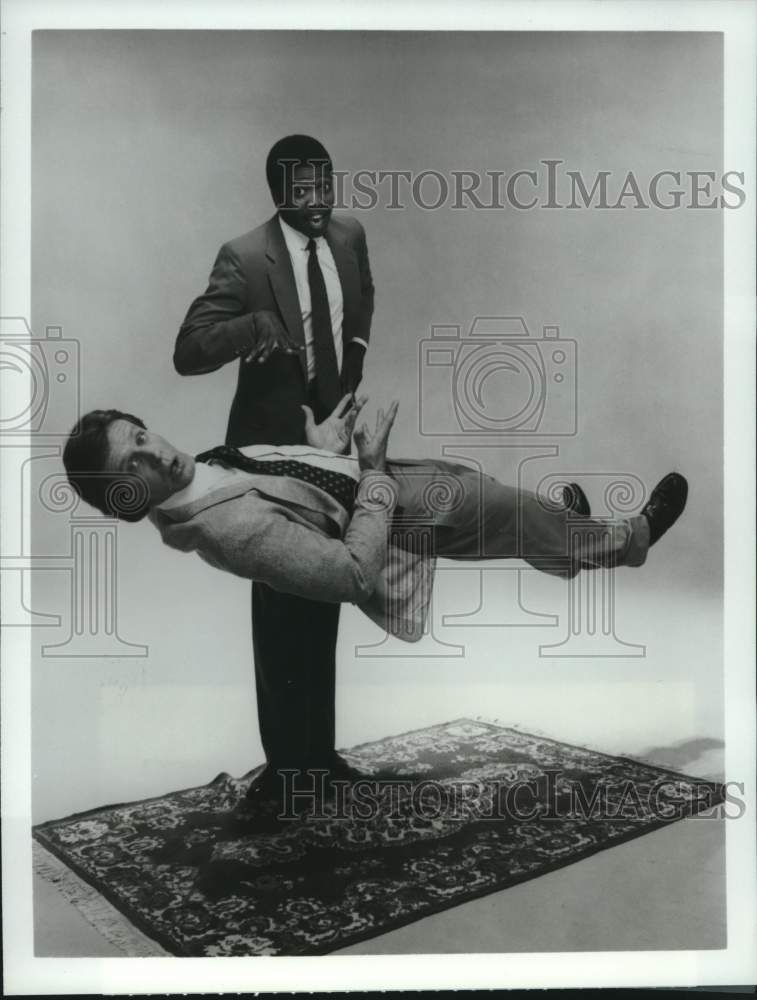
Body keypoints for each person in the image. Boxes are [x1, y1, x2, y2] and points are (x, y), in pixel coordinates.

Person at [63, 398, 688, 648]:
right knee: (512, 509)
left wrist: (321, 449)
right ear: (124, 499)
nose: (155, 453)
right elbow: (349, 573)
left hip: (385, 483)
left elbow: (290, 483)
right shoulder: (223, 532)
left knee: (504, 501)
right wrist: (370, 467)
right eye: (134, 464)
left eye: (142, 435)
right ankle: (625, 540)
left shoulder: (194, 472)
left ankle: (561, 538)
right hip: (402, 516)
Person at [173, 135, 374, 804]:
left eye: (325, 184)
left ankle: (320, 757)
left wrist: (350, 381)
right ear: (278, 193)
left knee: (323, 594)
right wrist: (252, 324)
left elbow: (359, 307)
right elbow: (189, 350)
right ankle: (287, 770)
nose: (318, 201)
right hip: (266, 456)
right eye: (303, 190)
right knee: (280, 605)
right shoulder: (243, 257)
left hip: (331, 449)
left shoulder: (349, 236)